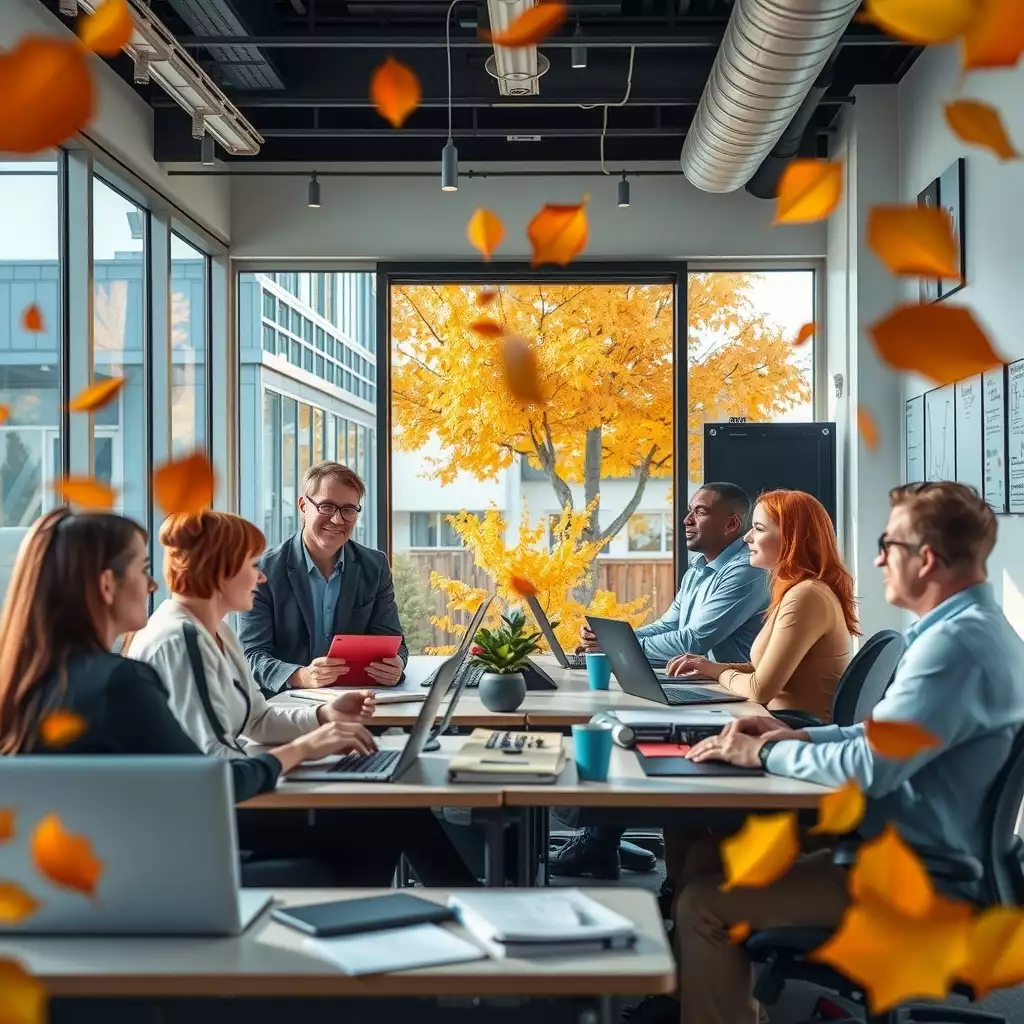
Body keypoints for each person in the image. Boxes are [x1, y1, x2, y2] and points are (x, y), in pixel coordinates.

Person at [657, 482, 1024, 1024]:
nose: (877, 559)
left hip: (912, 872)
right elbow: (878, 736)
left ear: (925, 559)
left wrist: (763, 756)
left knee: (701, 905)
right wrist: (798, 739)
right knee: (709, 858)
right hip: (910, 846)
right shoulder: (967, 631)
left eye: (887, 545)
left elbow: (870, 766)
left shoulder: (955, 648)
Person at [127, 509, 478, 887]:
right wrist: (307, 748)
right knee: (389, 813)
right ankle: (449, 903)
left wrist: (326, 715)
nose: (261, 577)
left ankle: (452, 902)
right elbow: (217, 765)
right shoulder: (181, 641)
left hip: (229, 803)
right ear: (221, 570)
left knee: (395, 808)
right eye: (252, 565)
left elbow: (258, 720)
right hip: (206, 826)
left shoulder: (217, 632)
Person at [0, 509, 367, 806]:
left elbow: (249, 725)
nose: (153, 585)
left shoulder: (49, 677)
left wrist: (322, 718)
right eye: (143, 570)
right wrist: (303, 749)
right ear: (107, 585)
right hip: (185, 850)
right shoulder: (125, 677)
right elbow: (209, 780)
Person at [552, 482, 770, 880]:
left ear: (731, 524)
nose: (686, 520)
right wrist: (616, 638)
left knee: (622, 726)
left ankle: (599, 843)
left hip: (733, 697)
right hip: (703, 686)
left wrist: (622, 645)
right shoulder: (698, 571)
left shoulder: (746, 572)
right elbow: (669, 625)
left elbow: (693, 640)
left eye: (700, 512)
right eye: (689, 511)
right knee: (611, 717)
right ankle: (601, 840)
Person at [666, 489, 857, 723]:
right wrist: (710, 668)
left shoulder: (807, 596)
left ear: (792, 538)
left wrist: (720, 673)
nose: (747, 537)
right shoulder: (797, 591)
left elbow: (759, 690)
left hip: (794, 728)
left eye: (758, 528)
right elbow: (762, 669)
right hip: (779, 720)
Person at [239, 461, 407, 697]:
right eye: (327, 507)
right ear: (303, 505)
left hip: (356, 699)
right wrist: (301, 676)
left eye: (348, 510)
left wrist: (396, 665)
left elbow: (393, 642)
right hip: (285, 704)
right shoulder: (261, 571)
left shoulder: (374, 566)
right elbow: (252, 656)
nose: (338, 520)